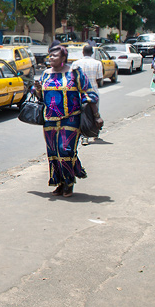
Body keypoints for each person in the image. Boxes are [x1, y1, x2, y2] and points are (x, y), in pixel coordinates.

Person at [32, 41, 101, 197]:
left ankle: (69, 182)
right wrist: (37, 89)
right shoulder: (45, 74)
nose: (51, 57)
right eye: (50, 55)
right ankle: (59, 183)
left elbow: (88, 94)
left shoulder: (74, 73)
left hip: (70, 119)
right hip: (49, 120)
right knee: (53, 152)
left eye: (54, 55)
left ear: (63, 57)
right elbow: (41, 97)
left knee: (65, 150)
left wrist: (96, 116)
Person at [71, 44, 104, 145]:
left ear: (83, 52)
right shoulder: (97, 63)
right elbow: (99, 78)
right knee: (94, 114)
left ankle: (84, 137)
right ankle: (94, 133)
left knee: (83, 115)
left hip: (80, 94)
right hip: (93, 92)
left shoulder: (76, 63)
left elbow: (71, 78)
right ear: (92, 53)